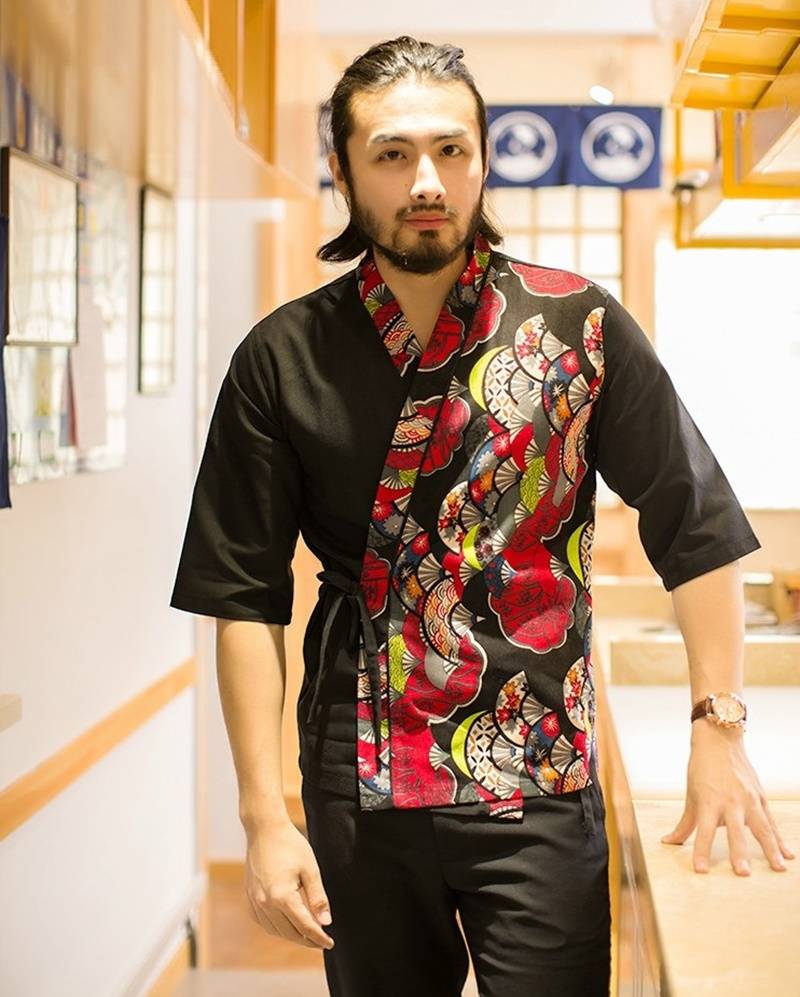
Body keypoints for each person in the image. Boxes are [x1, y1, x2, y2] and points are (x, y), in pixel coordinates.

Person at [169, 35, 794, 997]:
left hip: (539, 769)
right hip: (357, 775)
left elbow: (696, 522)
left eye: (451, 150)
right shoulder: (282, 356)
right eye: (392, 153)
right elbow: (243, 597)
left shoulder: (577, 325)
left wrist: (720, 725)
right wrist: (263, 814)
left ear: (483, 159)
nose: (427, 180)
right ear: (343, 169)